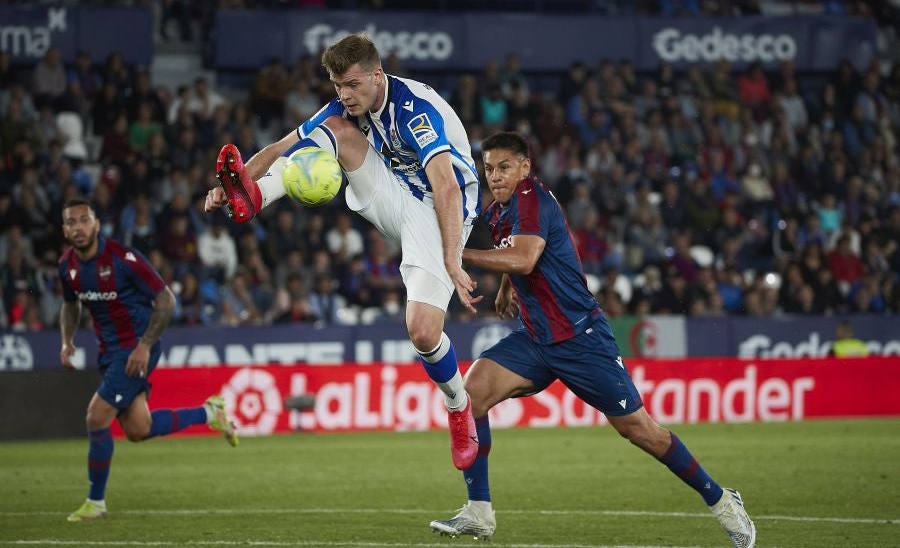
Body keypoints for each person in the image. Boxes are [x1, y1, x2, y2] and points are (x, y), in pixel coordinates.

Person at [429, 133, 756, 548]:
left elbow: (525, 257)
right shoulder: (498, 212)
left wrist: (456, 255)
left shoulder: (533, 199)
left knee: (641, 431)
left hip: (580, 338)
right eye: (489, 168)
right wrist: (507, 288)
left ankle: (722, 499)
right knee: (471, 394)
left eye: (504, 167)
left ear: (525, 168)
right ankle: (479, 511)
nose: (495, 176)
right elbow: (518, 255)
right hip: (537, 338)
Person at [205, 33, 481, 470]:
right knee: (334, 132)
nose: (345, 95)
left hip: (442, 210)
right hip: (397, 191)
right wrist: (234, 185)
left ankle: (458, 405)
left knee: (424, 332)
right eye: (338, 86)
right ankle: (256, 198)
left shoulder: (414, 109)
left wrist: (451, 258)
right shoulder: (345, 106)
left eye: (352, 85)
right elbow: (282, 147)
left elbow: (446, 185)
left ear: (377, 75)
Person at [58, 198, 238, 522]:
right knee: (139, 429)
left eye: (84, 220)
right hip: (109, 352)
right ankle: (210, 412)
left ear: (96, 224)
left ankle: (95, 503)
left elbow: (166, 300)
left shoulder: (123, 259)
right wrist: (67, 341)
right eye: (72, 222)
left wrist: (144, 345)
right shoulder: (67, 266)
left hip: (136, 350)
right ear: (65, 230)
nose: (79, 227)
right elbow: (70, 305)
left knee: (96, 417)